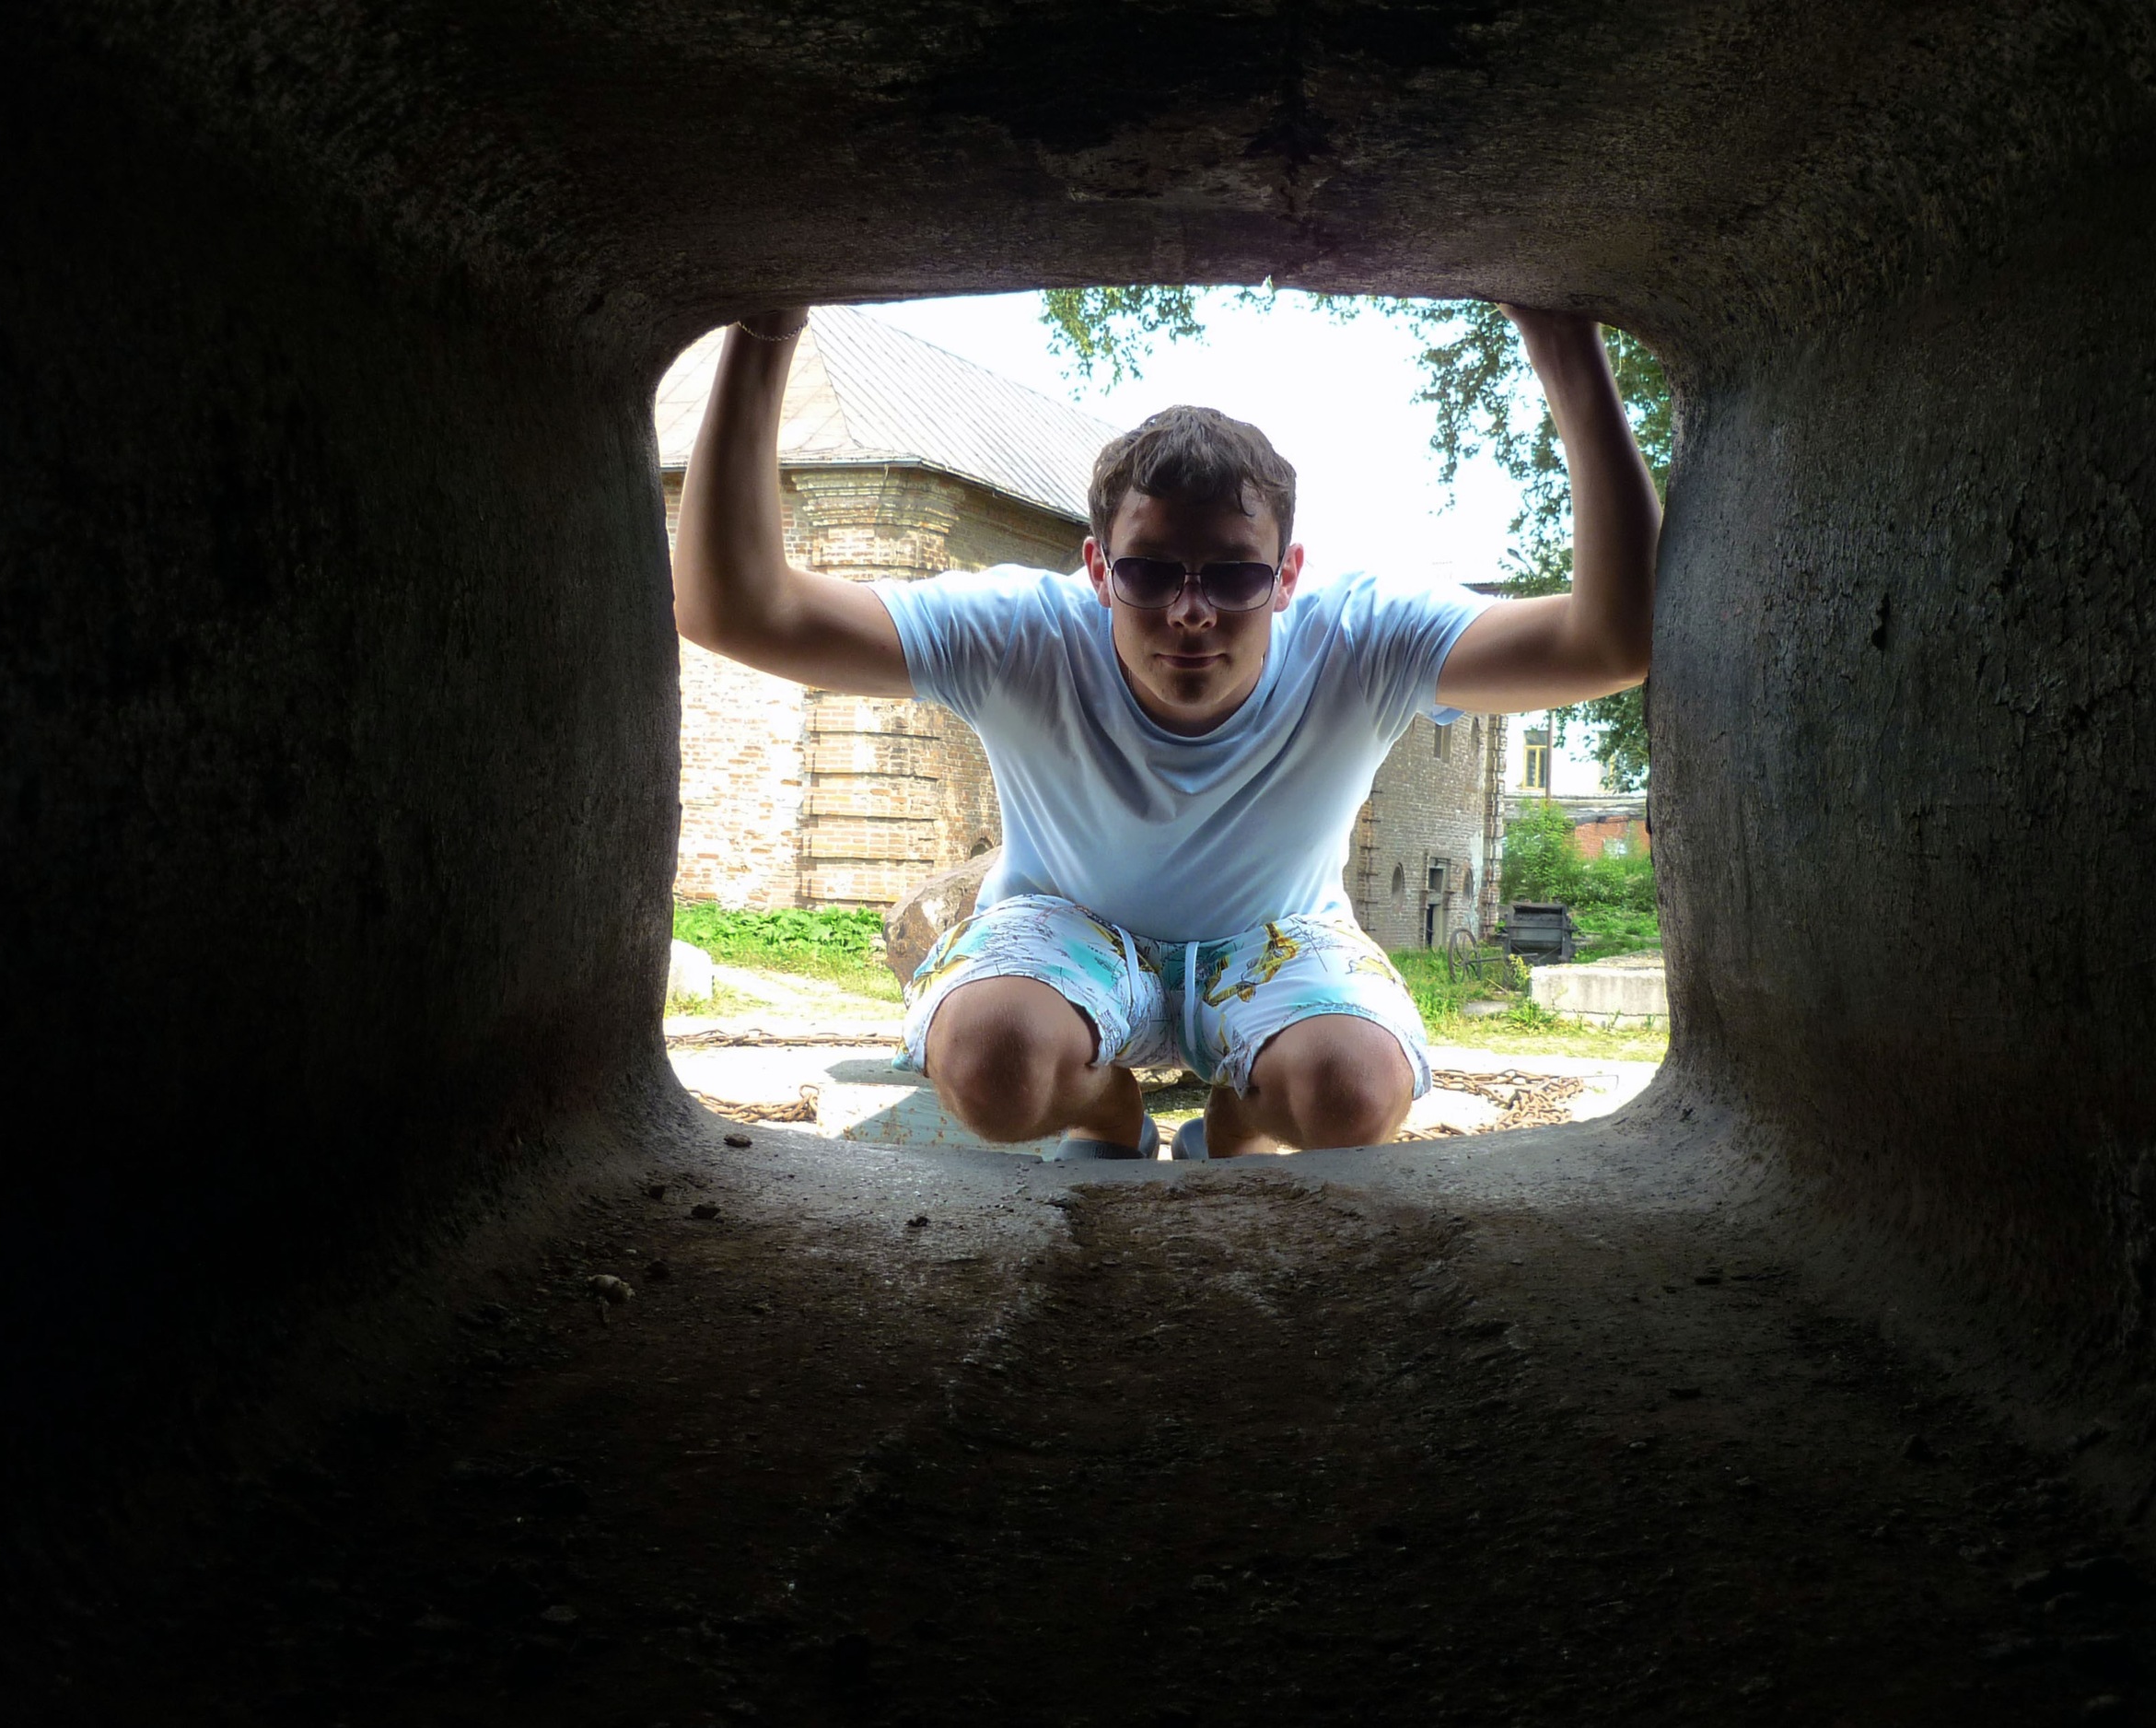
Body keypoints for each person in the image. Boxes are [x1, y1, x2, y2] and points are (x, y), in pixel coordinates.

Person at [672, 303, 1659, 1160]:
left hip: (1279, 940)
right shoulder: (1025, 633)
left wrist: (1566, 349)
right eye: (1150, 573)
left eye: (1233, 575)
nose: (1192, 612)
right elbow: (739, 609)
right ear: (1098, 570)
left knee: (1352, 1093)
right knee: (994, 1065)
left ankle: (1237, 1120)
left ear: (1287, 575)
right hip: (1065, 930)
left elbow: (1611, 641)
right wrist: (767, 328)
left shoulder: (1362, 637)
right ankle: (1110, 1113)